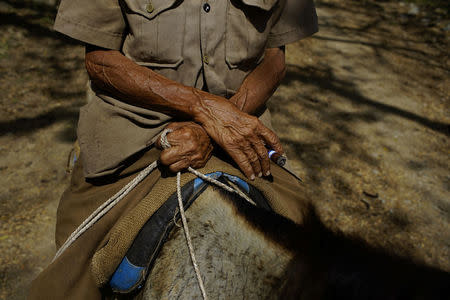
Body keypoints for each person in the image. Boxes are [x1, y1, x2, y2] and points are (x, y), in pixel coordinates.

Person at [29, 0, 318, 299]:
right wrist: (202, 107)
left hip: (240, 125)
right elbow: (99, 60)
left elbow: (275, 57)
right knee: (70, 277)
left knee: (310, 247)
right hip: (135, 128)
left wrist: (220, 123)